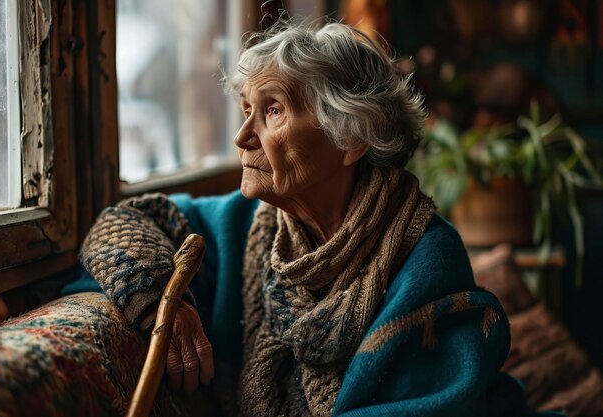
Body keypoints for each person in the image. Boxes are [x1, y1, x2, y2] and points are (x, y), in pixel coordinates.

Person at [80, 21, 563, 417]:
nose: (243, 136)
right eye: (246, 110)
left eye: (272, 110)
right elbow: (122, 223)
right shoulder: (245, 221)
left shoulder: (424, 257)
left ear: (352, 137)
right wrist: (163, 303)